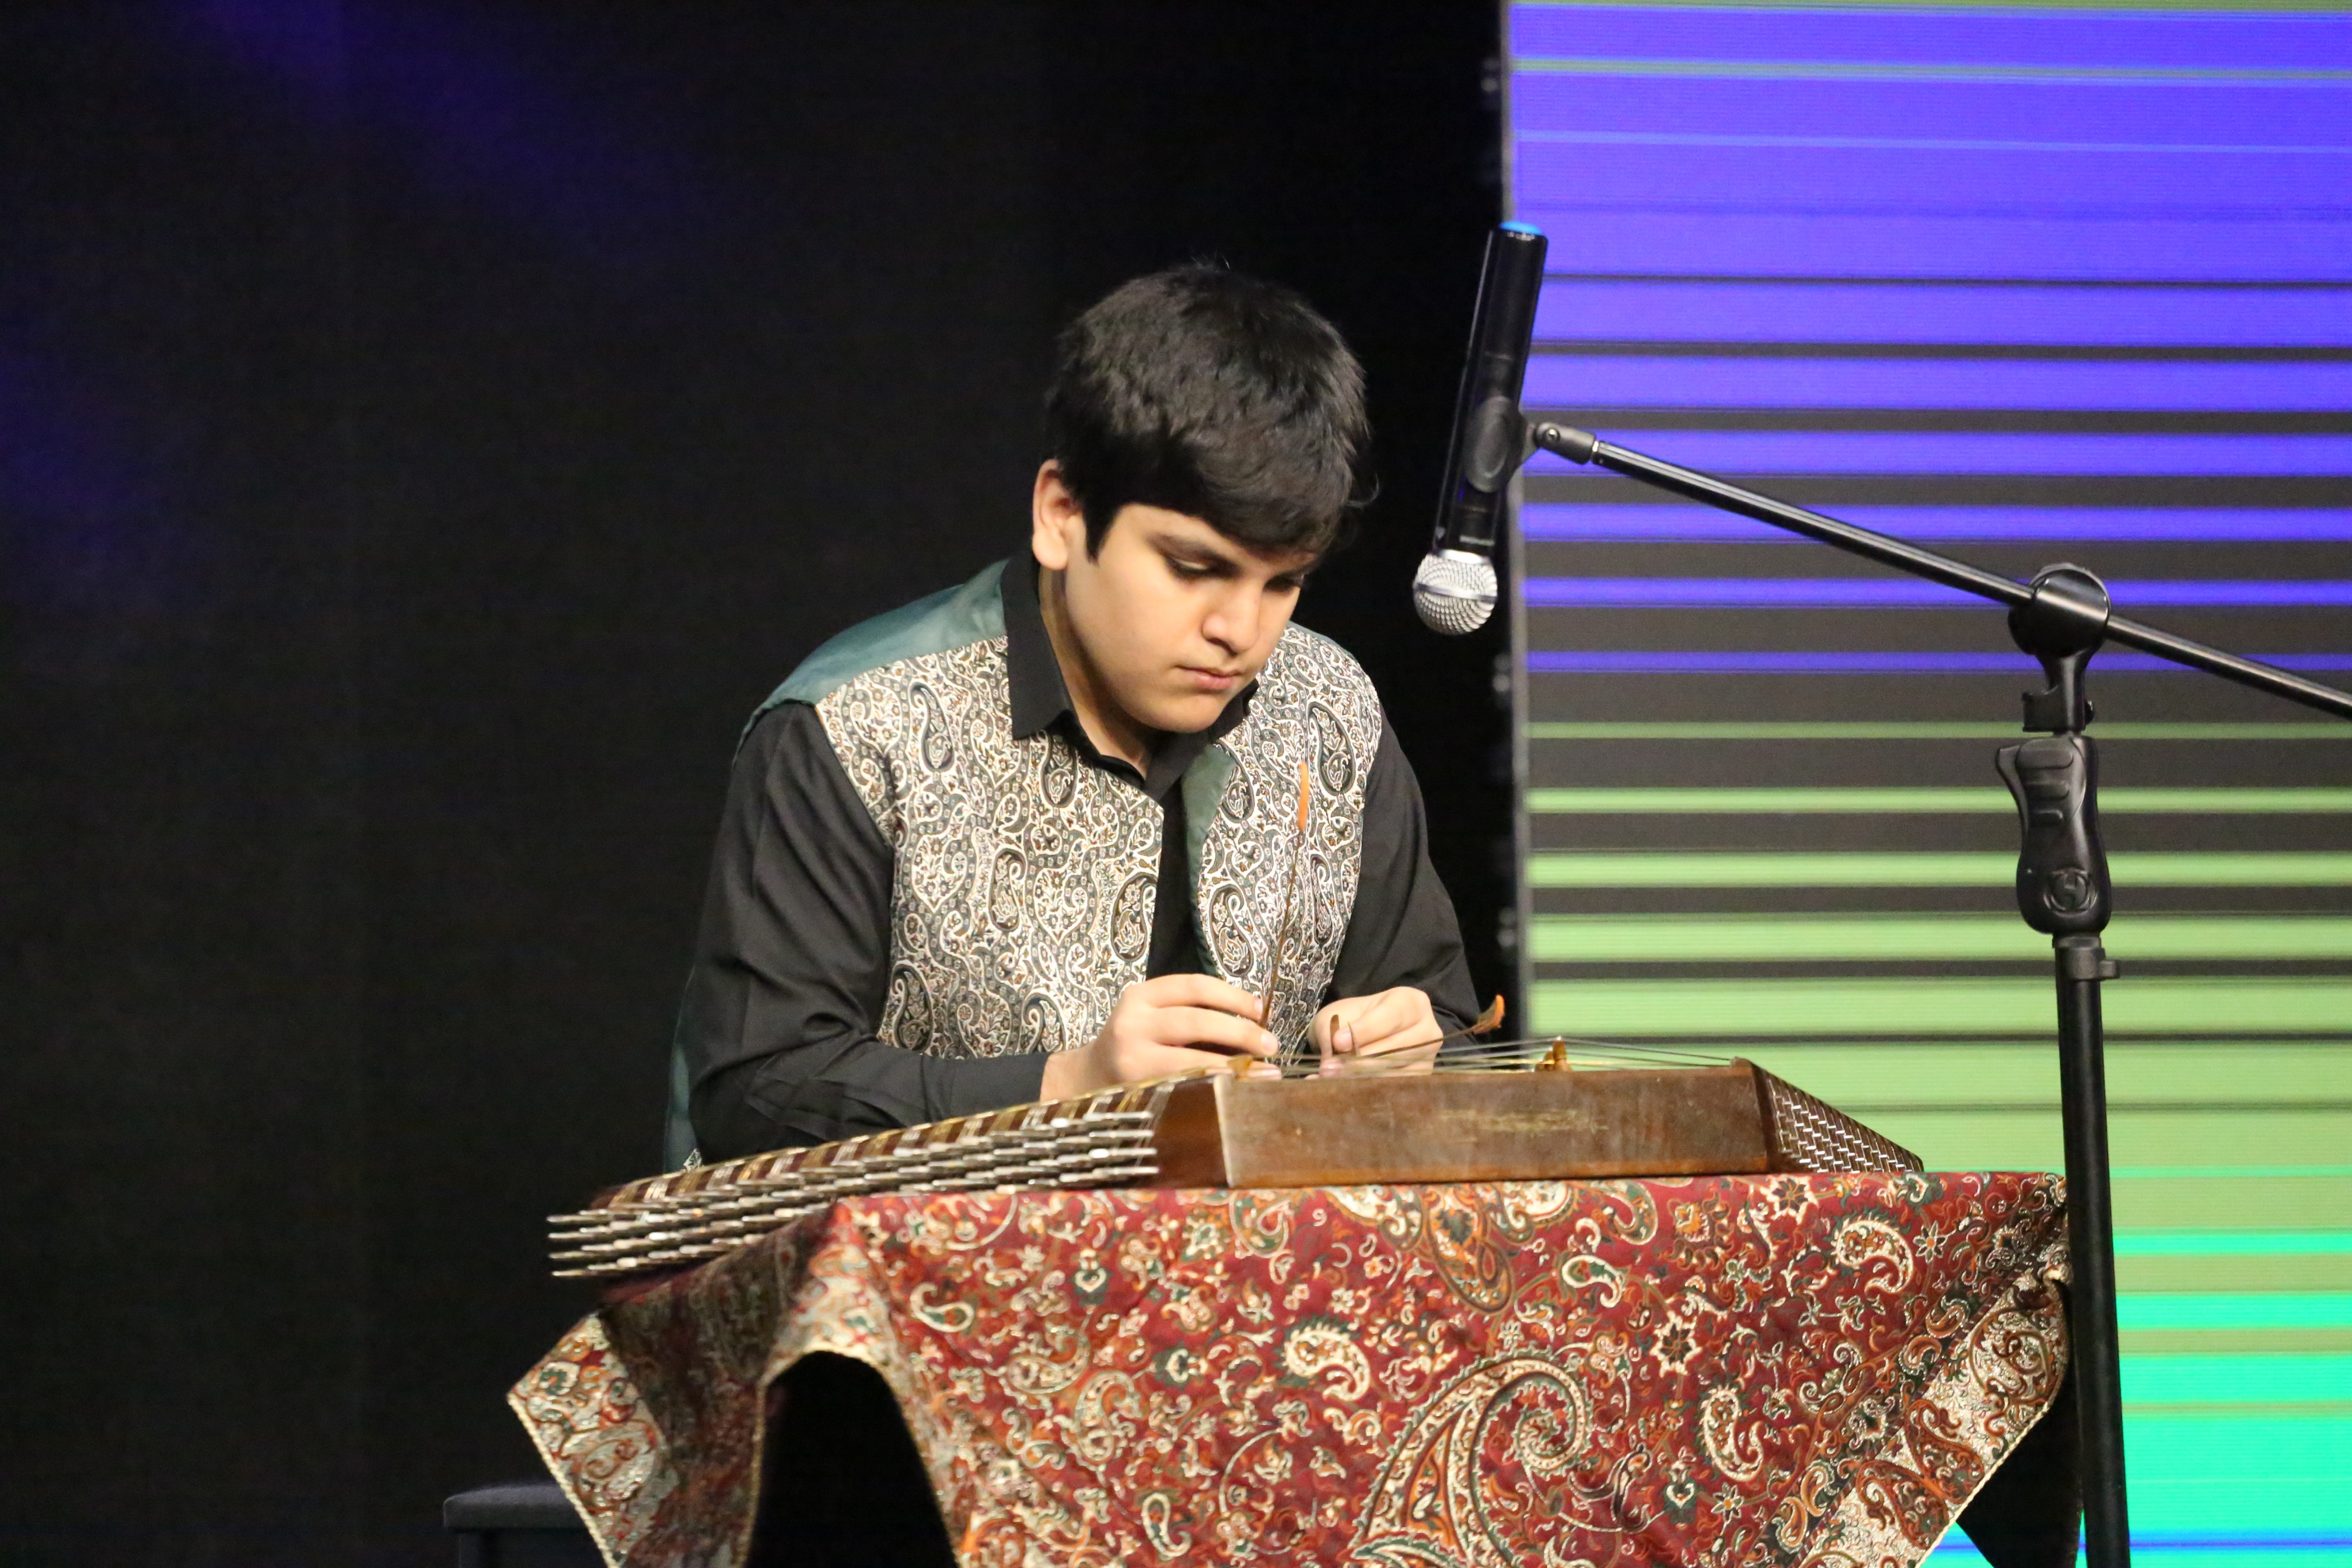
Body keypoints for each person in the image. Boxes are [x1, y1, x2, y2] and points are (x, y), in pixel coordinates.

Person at [668, 265, 1477, 1165]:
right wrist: (1069, 1086)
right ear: (1061, 515)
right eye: (1194, 568)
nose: (1240, 631)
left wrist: (1416, 1049)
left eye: (1283, 583)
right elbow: (757, 1090)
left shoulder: (1331, 708)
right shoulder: (857, 723)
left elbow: (1446, 1019)